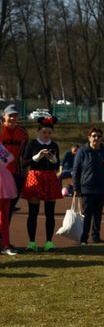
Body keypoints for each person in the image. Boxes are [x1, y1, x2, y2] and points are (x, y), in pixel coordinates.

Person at [21, 116, 62, 252]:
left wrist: (53, 159)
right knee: (33, 212)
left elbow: (57, 165)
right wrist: (37, 157)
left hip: (50, 177)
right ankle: (32, 242)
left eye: (49, 133)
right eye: (44, 132)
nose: (46, 135)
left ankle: (49, 242)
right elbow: (24, 162)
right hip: (35, 177)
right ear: (39, 132)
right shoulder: (32, 144)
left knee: (50, 212)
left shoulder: (54, 145)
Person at [72, 127, 104, 244]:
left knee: (98, 214)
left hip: (102, 186)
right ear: (89, 137)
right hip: (87, 187)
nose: (96, 138)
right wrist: (76, 188)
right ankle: (83, 238)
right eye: (94, 136)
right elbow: (76, 170)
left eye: (99, 136)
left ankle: (96, 237)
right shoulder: (82, 151)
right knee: (87, 214)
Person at [0, 104, 29, 220]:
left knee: (10, 207)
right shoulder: (0, 130)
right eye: (10, 115)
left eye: (15, 116)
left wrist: (25, 173)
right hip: (1, 174)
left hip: (15, 175)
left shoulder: (23, 133)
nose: (13, 118)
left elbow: (25, 155)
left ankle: (3, 234)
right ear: (4, 116)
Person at [0, 141, 18, 255]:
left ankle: (6, 245)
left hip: (4, 180)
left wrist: (3, 160)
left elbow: (10, 157)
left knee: (4, 216)